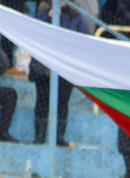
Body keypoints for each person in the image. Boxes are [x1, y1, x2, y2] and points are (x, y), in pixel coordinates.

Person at [29, 1, 89, 146]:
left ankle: (58, 137)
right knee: (43, 101)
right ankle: (40, 137)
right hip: (44, 68)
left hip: (65, 68)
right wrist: (49, 18)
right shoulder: (42, 12)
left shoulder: (75, 16)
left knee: (62, 103)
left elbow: (86, 38)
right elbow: (34, 33)